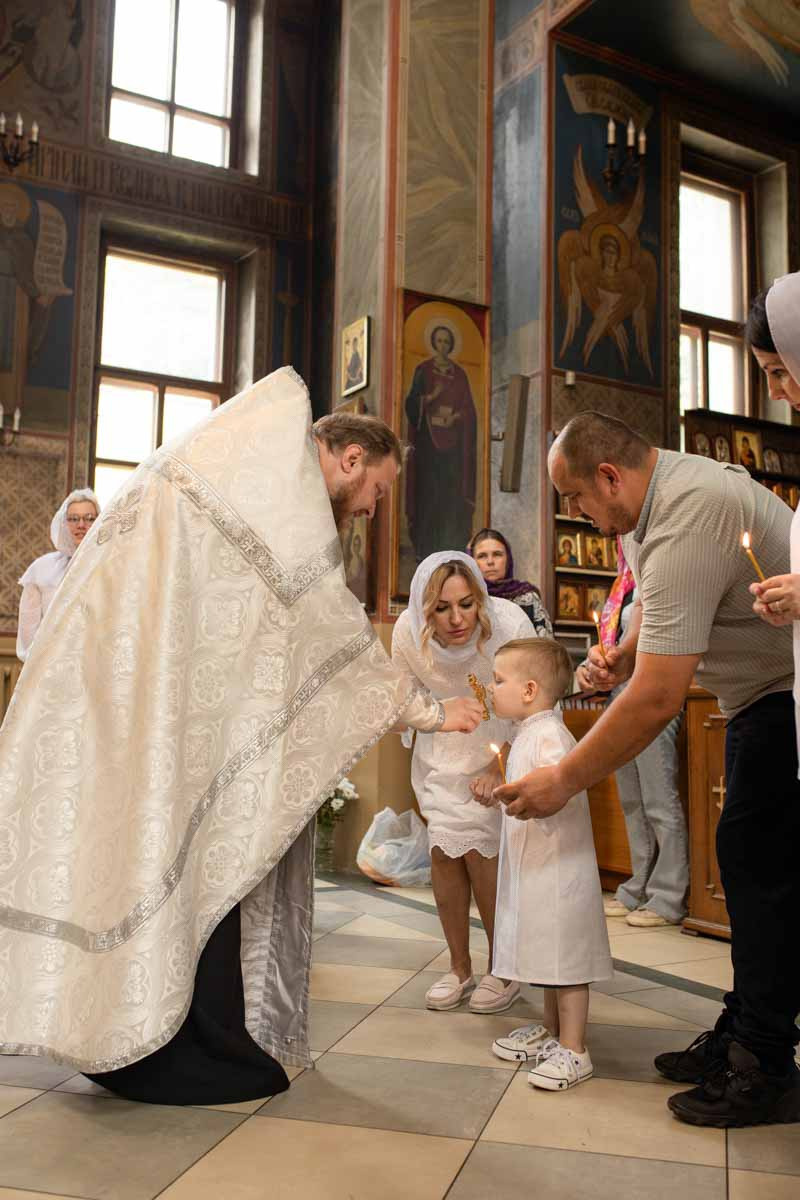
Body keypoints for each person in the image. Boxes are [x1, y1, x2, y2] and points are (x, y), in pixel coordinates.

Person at [0, 367, 483, 1106]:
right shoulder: (274, 488)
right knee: (185, 859)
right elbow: (327, 630)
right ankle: (170, 1043)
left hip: (129, 694)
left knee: (151, 855)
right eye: (377, 491)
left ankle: (137, 1030)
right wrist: (428, 712)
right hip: (150, 701)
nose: (371, 508)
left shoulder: (232, 461)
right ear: (350, 459)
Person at [494, 408, 800, 1128]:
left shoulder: (690, 512)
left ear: (610, 475)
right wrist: (627, 646)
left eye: (575, 499)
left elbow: (661, 697)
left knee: (760, 879)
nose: (576, 513)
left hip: (786, 695)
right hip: (760, 694)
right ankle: (745, 1031)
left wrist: (564, 777)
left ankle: (763, 1063)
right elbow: (661, 607)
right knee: (753, 867)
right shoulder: (650, 510)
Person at [392, 551, 534, 1014]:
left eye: (467, 605)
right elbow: (401, 699)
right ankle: (458, 967)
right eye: (442, 608)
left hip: (502, 743)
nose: (457, 619)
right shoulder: (407, 634)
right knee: (443, 851)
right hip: (442, 749)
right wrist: (435, 719)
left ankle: (503, 968)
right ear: (424, 608)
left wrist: (503, 765)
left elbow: (536, 701)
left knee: (481, 851)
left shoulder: (510, 624)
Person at [474, 638, 611, 1090]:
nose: (492, 689)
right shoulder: (528, 732)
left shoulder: (550, 735)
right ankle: (554, 1036)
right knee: (548, 954)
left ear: (530, 690)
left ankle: (575, 1049)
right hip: (537, 864)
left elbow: (557, 790)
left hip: (559, 867)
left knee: (565, 956)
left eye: (498, 681)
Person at [579, 540, 688, 927]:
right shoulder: (623, 583)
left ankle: (669, 895)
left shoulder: (658, 572)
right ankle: (638, 884)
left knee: (660, 798)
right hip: (622, 696)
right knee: (632, 799)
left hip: (655, 692)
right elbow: (615, 644)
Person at [404, 325, 477, 563]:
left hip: (453, 450)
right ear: (434, 343)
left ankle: (452, 548)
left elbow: (469, 410)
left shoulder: (460, 374)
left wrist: (458, 417)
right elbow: (411, 405)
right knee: (430, 497)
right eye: (440, 341)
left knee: (451, 499)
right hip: (428, 448)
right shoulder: (423, 371)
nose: (444, 345)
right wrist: (431, 398)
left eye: (447, 342)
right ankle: (425, 549)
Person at [16, 488, 100, 661]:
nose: (81, 525)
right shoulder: (41, 569)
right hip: (48, 666)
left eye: (89, 519)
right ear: (64, 522)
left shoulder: (110, 566)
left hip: (94, 665)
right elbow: (28, 631)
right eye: (74, 519)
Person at [468, 527, 552, 637]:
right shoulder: (465, 598)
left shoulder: (528, 597)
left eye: (497, 554)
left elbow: (546, 646)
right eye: (482, 556)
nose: (490, 562)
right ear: (471, 560)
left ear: (508, 559)